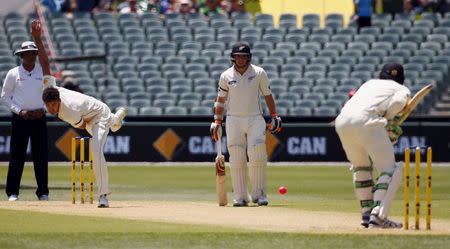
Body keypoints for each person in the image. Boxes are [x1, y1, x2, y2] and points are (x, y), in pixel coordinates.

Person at [335, 62, 411, 229]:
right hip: (368, 121)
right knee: (391, 170)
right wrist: (389, 120)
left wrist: (384, 124)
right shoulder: (402, 89)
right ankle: (379, 216)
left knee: (360, 167)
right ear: (401, 78)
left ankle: (367, 214)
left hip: (342, 121)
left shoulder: (368, 84)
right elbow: (398, 103)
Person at [210, 42, 281, 207]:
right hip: (233, 119)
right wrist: (216, 121)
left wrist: (274, 115)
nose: (241, 59)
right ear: (233, 58)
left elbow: (268, 95)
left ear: (249, 57)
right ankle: (240, 197)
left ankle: (259, 195)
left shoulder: (259, 72)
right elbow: (220, 100)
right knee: (236, 157)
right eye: (238, 56)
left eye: (244, 56)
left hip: (255, 118)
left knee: (257, 153)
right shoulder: (225, 76)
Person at [0, 21, 50, 201]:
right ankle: (12, 192)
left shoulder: (42, 71)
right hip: (20, 119)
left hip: (39, 118)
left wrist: (43, 109)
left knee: (41, 156)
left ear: (36, 54)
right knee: (17, 156)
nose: (30, 56)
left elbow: (49, 94)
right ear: (21, 55)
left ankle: (43, 192)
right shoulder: (13, 73)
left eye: (33, 53)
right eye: (26, 53)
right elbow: (4, 97)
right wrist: (19, 111)